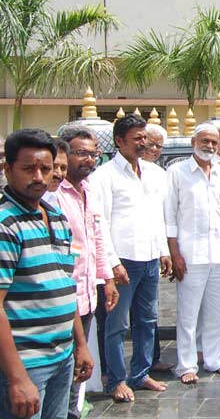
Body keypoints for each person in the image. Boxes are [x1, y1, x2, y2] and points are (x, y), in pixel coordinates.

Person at [0, 129, 94, 419]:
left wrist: (80, 346)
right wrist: (17, 378)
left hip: (62, 355)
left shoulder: (56, 217)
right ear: (8, 169)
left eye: (46, 168)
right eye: (28, 169)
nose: (39, 177)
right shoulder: (6, 225)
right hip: (26, 361)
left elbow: (65, 284)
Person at [91, 114, 170, 402]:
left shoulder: (152, 172)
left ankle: (140, 373)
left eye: (144, 137)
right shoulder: (104, 176)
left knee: (147, 319)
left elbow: (157, 216)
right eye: (136, 138)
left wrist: (163, 251)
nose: (142, 143)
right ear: (119, 141)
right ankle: (116, 379)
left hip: (149, 257)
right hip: (122, 260)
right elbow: (101, 223)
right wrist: (112, 264)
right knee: (117, 324)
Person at [164, 123, 220, 384]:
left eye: (214, 143)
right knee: (188, 313)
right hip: (190, 254)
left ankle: (214, 360)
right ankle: (186, 365)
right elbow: (170, 215)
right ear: (194, 141)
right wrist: (175, 254)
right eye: (205, 141)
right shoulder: (177, 172)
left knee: (217, 311)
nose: (210, 147)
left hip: (218, 252)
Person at [56, 127, 118, 419]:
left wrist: (107, 278)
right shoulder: (53, 194)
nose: (89, 160)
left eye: (94, 154)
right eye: (81, 153)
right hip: (60, 297)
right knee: (61, 369)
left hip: (86, 293)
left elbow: (97, 237)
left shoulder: (88, 190)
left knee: (77, 368)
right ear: (63, 154)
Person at [139, 123, 172, 374]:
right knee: (116, 321)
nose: (153, 149)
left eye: (158, 146)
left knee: (149, 313)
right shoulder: (111, 174)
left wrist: (165, 250)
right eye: (149, 144)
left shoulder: (160, 175)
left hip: (152, 251)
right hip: (124, 255)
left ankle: (151, 360)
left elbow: (164, 216)